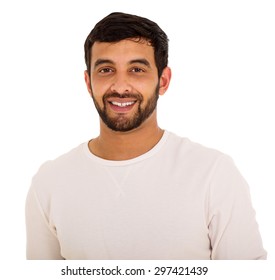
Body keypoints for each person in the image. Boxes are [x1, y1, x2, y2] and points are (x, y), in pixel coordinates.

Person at [25, 12, 267, 260]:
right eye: (106, 69)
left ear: (163, 81)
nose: (120, 86)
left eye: (137, 69)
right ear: (88, 82)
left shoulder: (213, 174)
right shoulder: (49, 183)